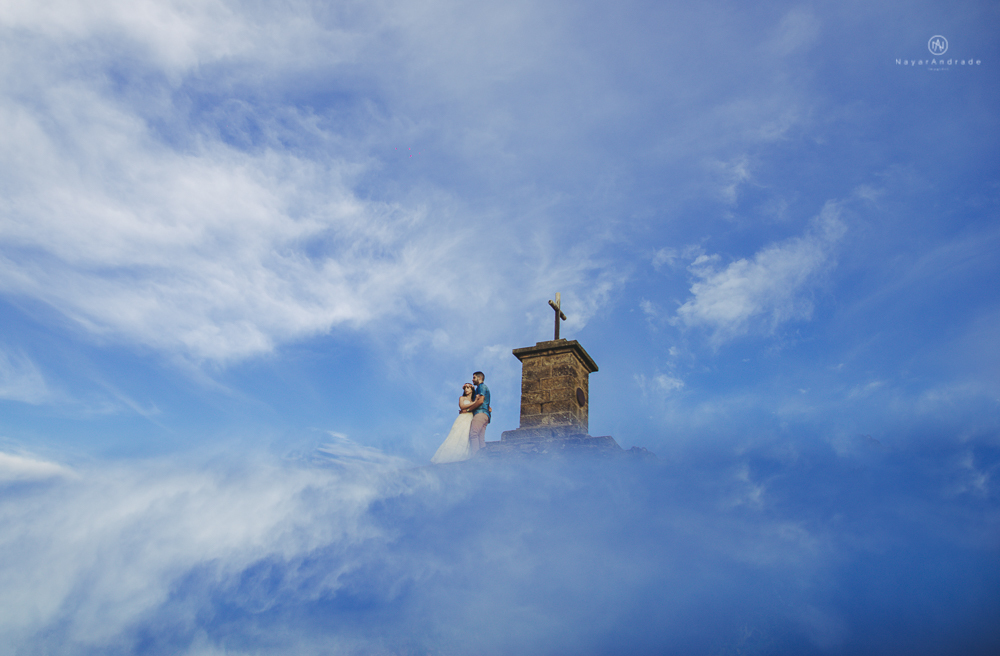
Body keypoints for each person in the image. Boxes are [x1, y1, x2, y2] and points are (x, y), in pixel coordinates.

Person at [430, 383, 477, 464]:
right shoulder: (462, 398)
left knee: (465, 436)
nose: (466, 389)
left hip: (470, 418)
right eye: (465, 388)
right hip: (462, 418)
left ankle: (462, 456)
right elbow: (462, 406)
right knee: (456, 435)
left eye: (468, 387)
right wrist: (474, 403)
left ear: (472, 389)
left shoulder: (473, 400)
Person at [466, 371, 490, 455]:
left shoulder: (481, 386)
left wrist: (468, 410)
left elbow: (480, 401)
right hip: (486, 415)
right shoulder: (481, 388)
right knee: (480, 437)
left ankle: (475, 455)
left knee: (473, 434)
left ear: (479, 378)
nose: (472, 380)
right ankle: (482, 456)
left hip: (480, 413)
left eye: (474, 377)